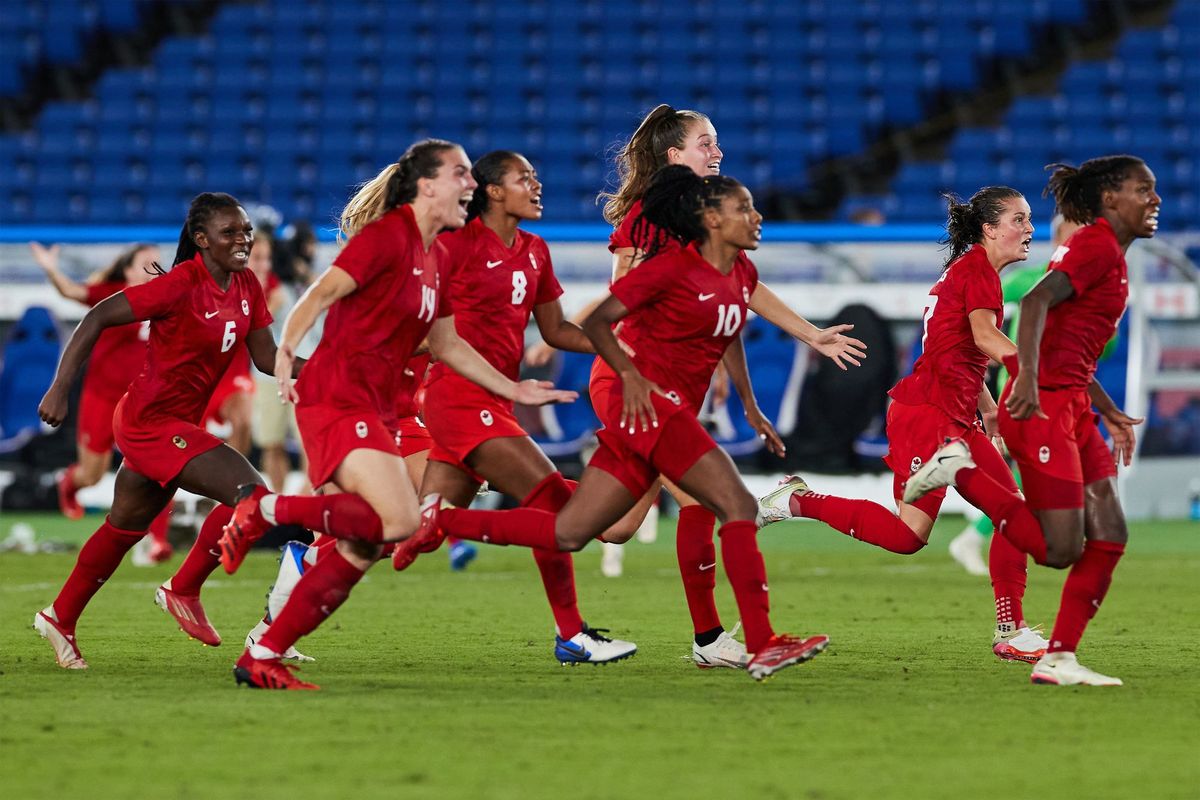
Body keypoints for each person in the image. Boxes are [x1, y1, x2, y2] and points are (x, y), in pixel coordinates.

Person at [395, 165, 832, 682]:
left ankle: (442, 520)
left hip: (656, 413)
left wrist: (749, 405)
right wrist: (628, 372)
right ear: (711, 219)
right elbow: (598, 320)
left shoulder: (738, 273)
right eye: (744, 209)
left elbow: (729, 329)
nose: (757, 218)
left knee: (574, 531)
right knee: (733, 503)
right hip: (650, 408)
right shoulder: (667, 268)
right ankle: (758, 643)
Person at [217, 140, 576, 690]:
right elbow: (319, 294)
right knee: (403, 520)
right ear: (428, 185)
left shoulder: (435, 256)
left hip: (379, 406)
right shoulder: (389, 238)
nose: (471, 186)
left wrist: (514, 390)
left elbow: (447, 344)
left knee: (375, 539)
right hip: (339, 396)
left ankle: (264, 649)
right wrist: (286, 353)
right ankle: (266, 511)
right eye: (461, 174)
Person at [526, 104, 865, 669]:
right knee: (707, 498)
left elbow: (734, 296)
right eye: (706, 143)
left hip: (677, 383)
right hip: (637, 382)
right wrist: (577, 332)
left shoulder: (704, 218)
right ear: (674, 155)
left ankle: (529, 500)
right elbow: (625, 294)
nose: (718, 152)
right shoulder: (649, 217)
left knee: (617, 528)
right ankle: (718, 641)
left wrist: (799, 343)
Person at [757, 186, 1054, 663]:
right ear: (989, 229)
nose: (1029, 229)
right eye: (1019, 220)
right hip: (929, 417)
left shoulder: (968, 273)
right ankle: (797, 501)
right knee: (920, 533)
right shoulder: (977, 271)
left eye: (1029, 219)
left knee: (1000, 517)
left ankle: (1011, 629)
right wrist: (1030, 368)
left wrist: (990, 406)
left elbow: (957, 349)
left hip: (952, 415)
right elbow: (982, 336)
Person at [33, 192, 289, 670]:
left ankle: (59, 616)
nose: (243, 240)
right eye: (230, 232)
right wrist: (59, 389)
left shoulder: (247, 284)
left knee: (124, 526)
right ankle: (183, 589)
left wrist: (338, 372)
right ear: (201, 239)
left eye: (246, 231)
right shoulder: (179, 284)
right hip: (148, 423)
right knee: (252, 494)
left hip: (176, 424)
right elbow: (96, 316)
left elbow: (268, 359)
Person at [402, 149, 636, 663]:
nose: (536, 185)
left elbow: (555, 331)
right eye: (523, 178)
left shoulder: (534, 250)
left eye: (536, 176)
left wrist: (621, 348)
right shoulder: (453, 248)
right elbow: (420, 329)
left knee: (412, 531)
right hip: (458, 398)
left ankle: (305, 560)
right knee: (553, 505)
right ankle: (572, 635)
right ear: (491, 191)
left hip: (496, 402)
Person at [994, 155, 1155, 686]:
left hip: (1074, 407)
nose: (1154, 199)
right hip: (1044, 408)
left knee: (1109, 533)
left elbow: (1072, 344)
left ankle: (1059, 658)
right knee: (1061, 551)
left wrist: (1108, 411)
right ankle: (962, 474)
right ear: (1110, 199)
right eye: (1143, 190)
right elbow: (1037, 303)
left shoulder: (1109, 252)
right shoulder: (1096, 245)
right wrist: (1028, 380)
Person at [32, 241, 176, 564]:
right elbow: (71, 292)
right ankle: (69, 483)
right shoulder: (113, 293)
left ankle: (158, 540)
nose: (153, 267)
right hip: (101, 396)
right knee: (92, 474)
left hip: (141, 401)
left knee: (159, 466)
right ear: (127, 269)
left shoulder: (166, 298)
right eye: (145, 262)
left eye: (157, 262)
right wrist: (50, 268)